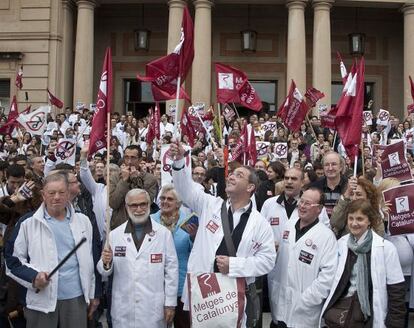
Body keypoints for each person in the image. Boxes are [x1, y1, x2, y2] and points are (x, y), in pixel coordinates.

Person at [169, 141, 276, 326]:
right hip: (203, 291)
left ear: (250, 187)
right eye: (232, 174)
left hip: (233, 295)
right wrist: (179, 161)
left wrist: (235, 265)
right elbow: (184, 189)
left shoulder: (260, 223)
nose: (232, 177)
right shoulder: (210, 204)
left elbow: (267, 261)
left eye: (239, 175)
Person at [5, 172, 96, 328]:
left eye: (61, 192)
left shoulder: (83, 221)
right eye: (51, 193)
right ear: (43, 195)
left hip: (76, 299)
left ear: (68, 194)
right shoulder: (28, 222)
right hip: (41, 301)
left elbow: (89, 259)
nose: (56, 197)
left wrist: (93, 293)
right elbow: (12, 261)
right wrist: (34, 277)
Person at [98, 189, 178, 328]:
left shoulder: (163, 234)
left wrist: (170, 303)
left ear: (149, 205)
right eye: (134, 205)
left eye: (143, 204)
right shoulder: (115, 235)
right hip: (124, 309)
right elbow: (104, 271)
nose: (139, 209)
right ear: (126, 207)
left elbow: (171, 271)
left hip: (153, 309)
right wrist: (106, 262)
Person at [321, 199, 406, 327]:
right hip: (341, 314)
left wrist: (394, 324)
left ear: (369, 221)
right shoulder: (340, 244)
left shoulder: (386, 248)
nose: (354, 223)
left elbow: (396, 292)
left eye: (360, 219)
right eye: (351, 218)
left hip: (368, 316)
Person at [271, 187, 338, 327]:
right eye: (301, 201)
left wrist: (306, 300)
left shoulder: (326, 237)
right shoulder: (289, 226)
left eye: (307, 203)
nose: (301, 206)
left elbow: (328, 277)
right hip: (281, 304)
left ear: (319, 209)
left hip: (305, 311)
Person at [151, 184, 195, 328]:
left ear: (179, 204)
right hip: (156, 285)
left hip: (182, 286)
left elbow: (196, 254)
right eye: (162, 198)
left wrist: (194, 237)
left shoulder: (189, 222)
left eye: (170, 199)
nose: (165, 202)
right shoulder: (150, 221)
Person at [109, 145, 158, 229]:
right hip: (120, 226)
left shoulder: (150, 179)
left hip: (142, 226)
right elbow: (113, 203)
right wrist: (124, 181)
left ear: (140, 160)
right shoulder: (115, 177)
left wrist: (136, 180)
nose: (129, 161)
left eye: (133, 158)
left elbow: (145, 203)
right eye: (126, 157)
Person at [310, 151, 347, 218]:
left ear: (341, 167)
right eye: (326, 165)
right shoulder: (314, 187)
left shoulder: (348, 186)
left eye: (334, 164)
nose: (330, 168)